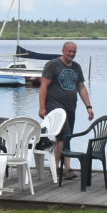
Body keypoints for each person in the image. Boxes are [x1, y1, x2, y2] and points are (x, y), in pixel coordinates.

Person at [38, 40, 95, 179]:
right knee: (64, 135)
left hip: (71, 107)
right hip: (55, 106)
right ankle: (65, 167)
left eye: (74, 52)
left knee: (64, 137)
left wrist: (89, 106)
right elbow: (44, 86)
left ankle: (57, 167)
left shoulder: (76, 67)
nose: (71, 54)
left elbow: (81, 87)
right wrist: (42, 107)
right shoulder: (53, 65)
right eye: (69, 51)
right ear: (63, 51)